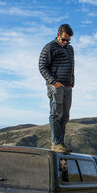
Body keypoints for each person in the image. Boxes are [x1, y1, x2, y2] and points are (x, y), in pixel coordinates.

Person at [39, 24, 75, 153]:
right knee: (56, 114)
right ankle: (56, 143)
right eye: (64, 39)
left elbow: (72, 67)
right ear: (58, 34)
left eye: (68, 40)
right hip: (56, 87)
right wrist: (53, 82)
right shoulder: (49, 47)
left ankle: (61, 142)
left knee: (65, 116)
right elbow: (42, 66)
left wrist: (71, 83)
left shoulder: (70, 49)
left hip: (67, 87)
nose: (66, 42)